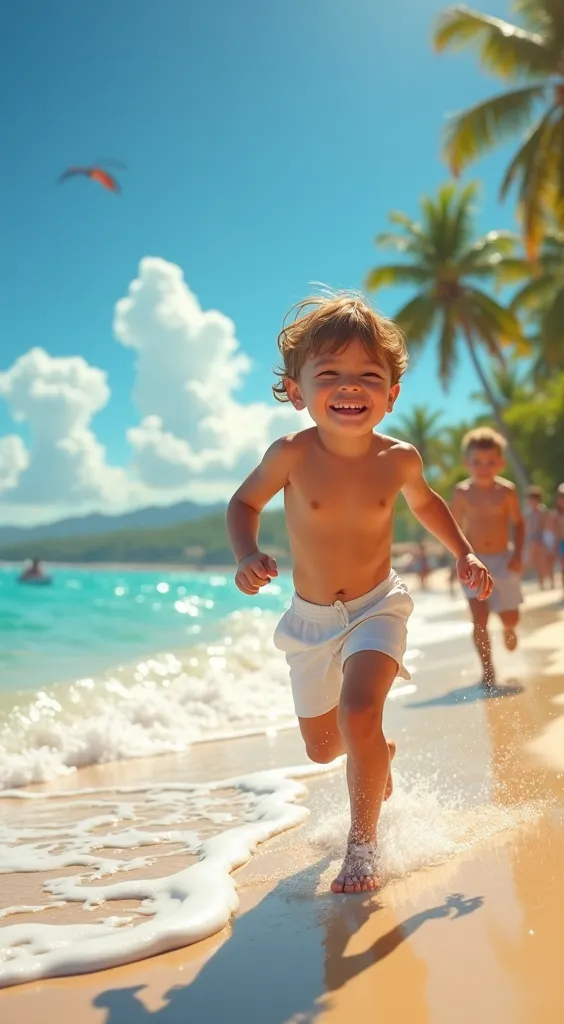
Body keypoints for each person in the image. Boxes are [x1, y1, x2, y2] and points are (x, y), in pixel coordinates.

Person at [226, 294, 492, 895]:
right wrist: (247, 554)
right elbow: (243, 504)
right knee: (324, 749)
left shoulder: (399, 459)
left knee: (358, 710)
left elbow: (428, 505)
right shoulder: (292, 453)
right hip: (311, 619)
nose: (350, 387)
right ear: (297, 390)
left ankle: (363, 846)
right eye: (330, 374)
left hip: (378, 606)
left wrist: (464, 552)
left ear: (392, 393)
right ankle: (377, 750)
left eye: (369, 376)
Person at [449, 427, 524, 688]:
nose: (484, 467)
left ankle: (509, 629)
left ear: (500, 463)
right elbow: (452, 528)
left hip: (504, 560)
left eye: (490, 462)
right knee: (479, 618)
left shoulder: (507, 491)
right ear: (466, 463)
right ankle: (488, 670)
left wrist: (517, 555)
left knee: (510, 616)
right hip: (474, 561)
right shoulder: (462, 493)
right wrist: (456, 559)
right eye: (477, 462)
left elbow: (519, 523)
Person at [524, 485, 551, 590]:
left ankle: (543, 582)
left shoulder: (542, 511)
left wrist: (546, 538)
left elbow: (547, 524)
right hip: (530, 538)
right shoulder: (527, 513)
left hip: (541, 537)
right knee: (530, 560)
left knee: (542, 561)